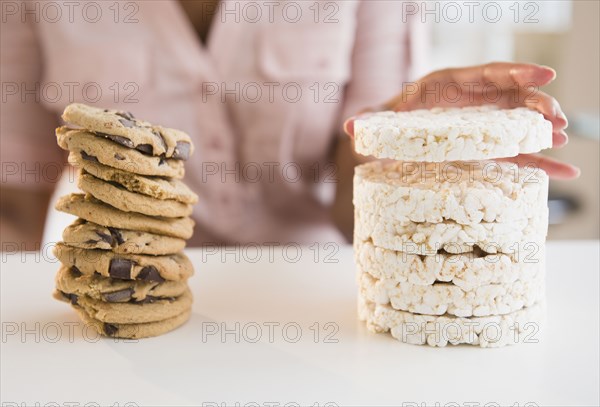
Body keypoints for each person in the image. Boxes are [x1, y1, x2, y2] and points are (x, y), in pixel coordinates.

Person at [0, 1, 578, 249]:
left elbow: (356, 210)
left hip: (319, 306)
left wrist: (411, 142)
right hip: (129, 312)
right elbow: (14, 207)